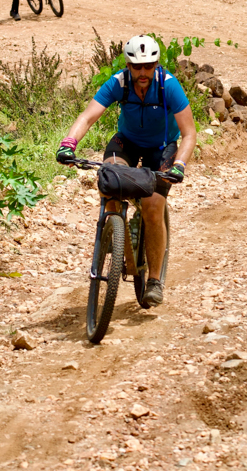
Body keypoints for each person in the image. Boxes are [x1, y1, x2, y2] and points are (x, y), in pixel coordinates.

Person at [56, 36, 195, 308]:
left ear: (156, 64)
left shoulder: (168, 86)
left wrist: (179, 164)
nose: (142, 73)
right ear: (128, 65)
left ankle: (154, 280)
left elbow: (189, 134)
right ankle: (113, 232)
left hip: (161, 147)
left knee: (153, 206)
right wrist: (68, 144)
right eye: (136, 67)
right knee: (109, 179)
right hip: (127, 143)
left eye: (149, 66)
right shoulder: (118, 83)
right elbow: (88, 116)